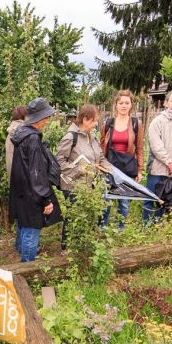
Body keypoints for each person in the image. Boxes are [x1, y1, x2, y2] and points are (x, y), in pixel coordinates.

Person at [9, 97, 62, 262]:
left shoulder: (22, 134)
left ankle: (23, 262)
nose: (47, 121)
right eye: (46, 117)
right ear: (39, 118)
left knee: (24, 227)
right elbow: (36, 173)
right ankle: (27, 267)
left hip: (22, 192)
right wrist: (46, 199)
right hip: (32, 194)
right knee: (31, 231)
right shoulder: (32, 139)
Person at [56, 104, 111, 250]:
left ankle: (80, 246)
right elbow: (59, 162)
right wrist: (80, 169)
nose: (96, 124)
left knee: (85, 216)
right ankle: (66, 247)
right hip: (73, 185)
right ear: (85, 119)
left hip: (88, 185)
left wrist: (111, 169)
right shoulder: (70, 137)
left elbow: (100, 158)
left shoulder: (92, 137)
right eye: (94, 121)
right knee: (73, 216)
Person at [143, 90, 172, 225]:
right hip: (157, 169)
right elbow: (156, 146)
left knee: (166, 199)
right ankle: (146, 227)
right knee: (151, 198)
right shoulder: (157, 121)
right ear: (166, 103)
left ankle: (159, 226)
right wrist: (169, 163)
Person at [101, 90, 144, 230]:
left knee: (124, 201)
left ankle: (120, 228)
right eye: (121, 103)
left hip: (127, 166)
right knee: (106, 198)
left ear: (131, 105)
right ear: (116, 105)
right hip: (110, 166)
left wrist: (140, 170)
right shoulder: (108, 123)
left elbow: (139, 148)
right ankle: (103, 227)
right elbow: (102, 146)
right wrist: (100, 166)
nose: (124, 106)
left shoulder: (136, 123)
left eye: (127, 103)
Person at [5, 105, 28, 182]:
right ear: (24, 116)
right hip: (24, 179)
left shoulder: (10, 133)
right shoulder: (24, 132)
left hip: (13, 178)